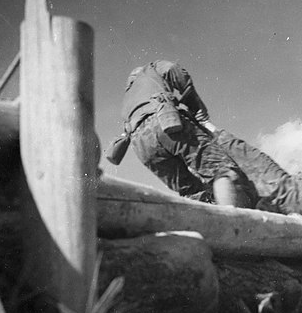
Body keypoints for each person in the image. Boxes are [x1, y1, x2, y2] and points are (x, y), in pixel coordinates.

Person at [105, 60, 256, 207]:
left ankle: (206, 226)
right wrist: (197, 108)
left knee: (189, 189)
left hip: (141, 146)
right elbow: (172, 69)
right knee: (220, 169)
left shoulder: (128, 99)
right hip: (164, 122)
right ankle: (232, 223)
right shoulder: (150, 69)